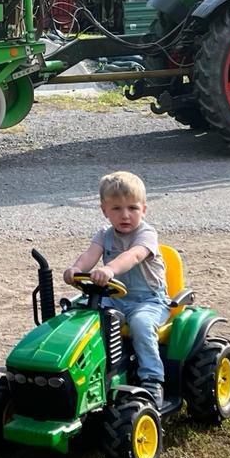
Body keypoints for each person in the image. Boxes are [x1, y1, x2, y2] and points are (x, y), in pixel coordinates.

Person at [63, 170, 170, 409]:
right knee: (76, 313)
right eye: (116, 209)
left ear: (144, 209)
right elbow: (89, 256)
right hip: (115, 299)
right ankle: (78, 373)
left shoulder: (147, 234)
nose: (125, 215)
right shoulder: (103, 234)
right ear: (104, 211)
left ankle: (152, 379)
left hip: (149, 301)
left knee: (141, 325)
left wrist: (109, 269)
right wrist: (76, 268)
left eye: (132, 208)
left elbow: (133, 256)